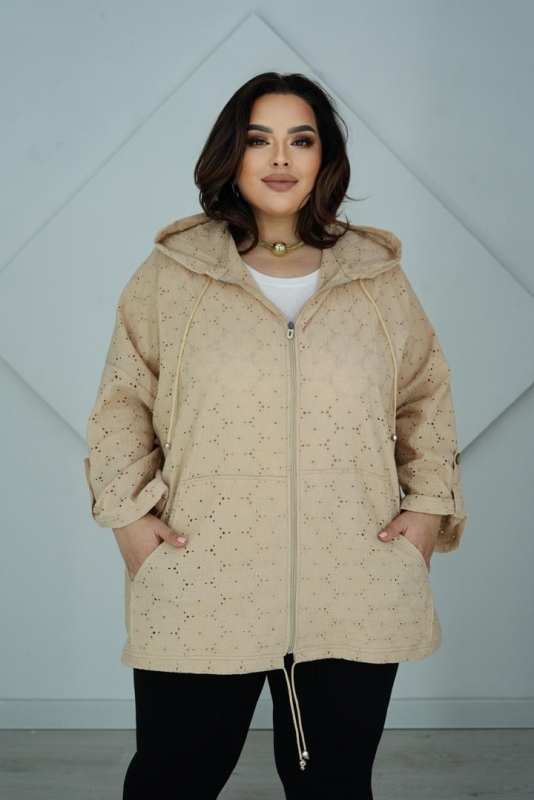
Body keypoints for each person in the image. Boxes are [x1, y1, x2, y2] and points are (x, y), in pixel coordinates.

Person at [84, 72, 468, 799]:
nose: (281, 158)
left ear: (326, 157)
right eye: (259, 139)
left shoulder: (377, 279)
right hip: (202, 575)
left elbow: (425, 399)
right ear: (232, 154)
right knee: (172, 781)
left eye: (302, 139)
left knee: (336, 786)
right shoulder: (173, 274)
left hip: (353, 579)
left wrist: (426, 510)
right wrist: (129, 519)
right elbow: (121, 405)